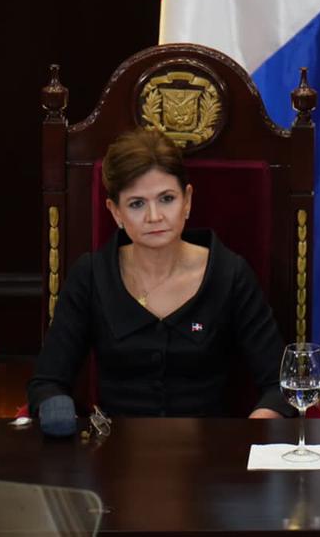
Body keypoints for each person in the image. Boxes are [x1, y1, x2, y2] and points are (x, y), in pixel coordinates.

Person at [28, 129, 293, 433]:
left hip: (211, 453)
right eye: (136, 204)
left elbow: (280, 383)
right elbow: (47, 382)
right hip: (114, 452)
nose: (154, 216)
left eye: (166, 199)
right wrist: (56, 409)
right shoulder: (90, 275)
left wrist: (251, 432)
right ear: (115, 212)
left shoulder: (229, 274)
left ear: (187, 201)